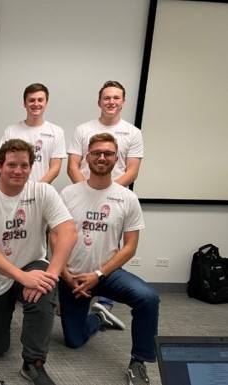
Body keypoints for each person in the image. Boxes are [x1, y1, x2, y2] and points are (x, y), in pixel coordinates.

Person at [0, 139, 77, 385]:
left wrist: (52, 274)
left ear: (31, 167)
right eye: (12, 165)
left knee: (44, 289)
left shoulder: (43, 192)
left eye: (24, 165)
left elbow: (68, 231)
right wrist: (21, 277)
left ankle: (33, 363)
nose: (18, 171)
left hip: (31, 264)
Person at [59, 133, 159, 385]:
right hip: (73, 276)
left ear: (116, 158)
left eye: (108, 153)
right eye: (96, 153)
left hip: (107, 274)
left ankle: (139, 361)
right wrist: (64, 274)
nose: (102, 158)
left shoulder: (127, 198)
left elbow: (130, 247)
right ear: (87, 157)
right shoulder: (68, 193)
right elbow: (54, 236)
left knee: (148, 298)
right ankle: (99, 318)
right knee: (74, 341)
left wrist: (99, 274)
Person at [67, 80, 144, 315]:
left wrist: (107, 191)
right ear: (99, 101)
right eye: (107, 98)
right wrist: (88, 190)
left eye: (116, 98)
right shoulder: (83, 129)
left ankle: (104, 302)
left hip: (117, 198)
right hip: (85, 192)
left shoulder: (133, 133)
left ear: (123, 102)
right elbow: (72, 165)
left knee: (110, 246)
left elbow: (132, 171)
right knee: (78, 242)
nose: (111, 102)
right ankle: (74, 289)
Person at [0, 83, 65, 184]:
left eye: (40, 100)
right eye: (31, 100)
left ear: (46, 103)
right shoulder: (11, 131)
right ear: (24, 103)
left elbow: (55, 168)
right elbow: (1, 163)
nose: (36, 104)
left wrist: (37, 189)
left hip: (41, 191)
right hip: (13, 190)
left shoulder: (57, 132)